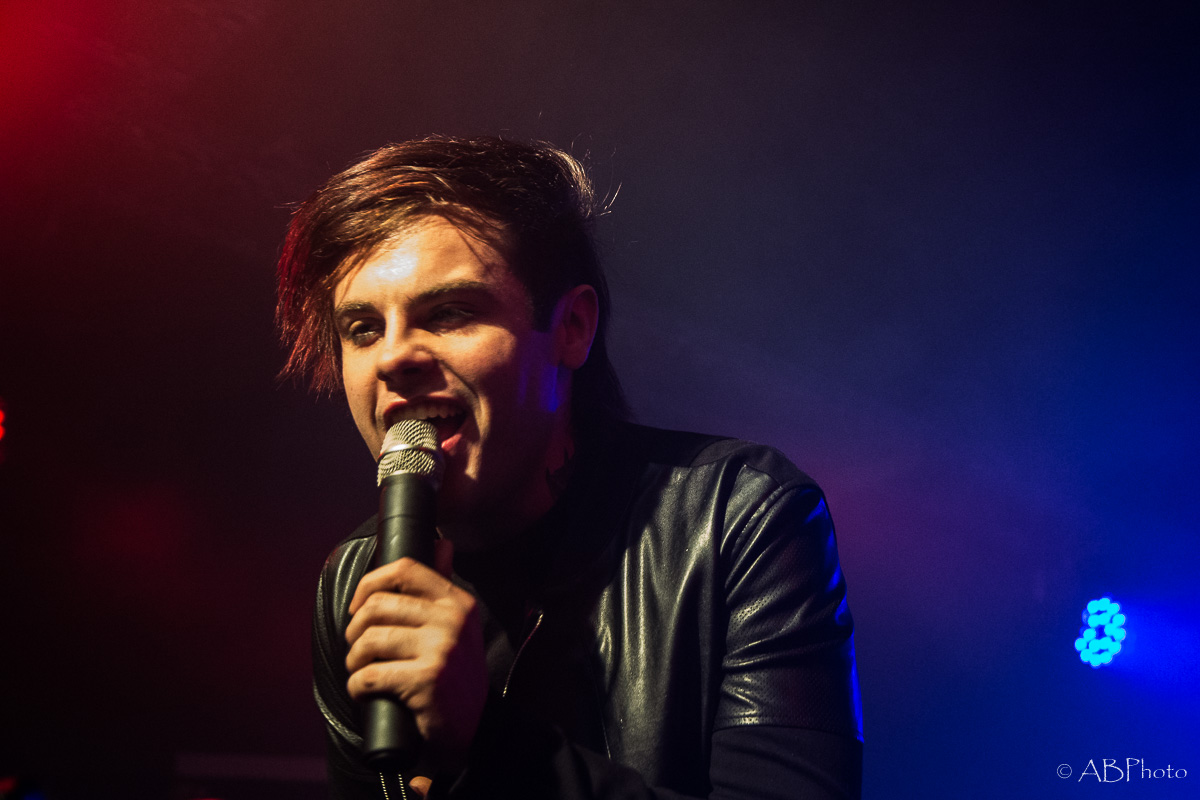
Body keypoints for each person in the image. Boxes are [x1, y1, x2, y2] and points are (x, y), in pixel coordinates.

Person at [276, 136, 863, 800]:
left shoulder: (738, 517)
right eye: (362, 329)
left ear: (573, 327)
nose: (392, 358)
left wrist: (492, 745)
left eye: (450, 313)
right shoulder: (353, 582)